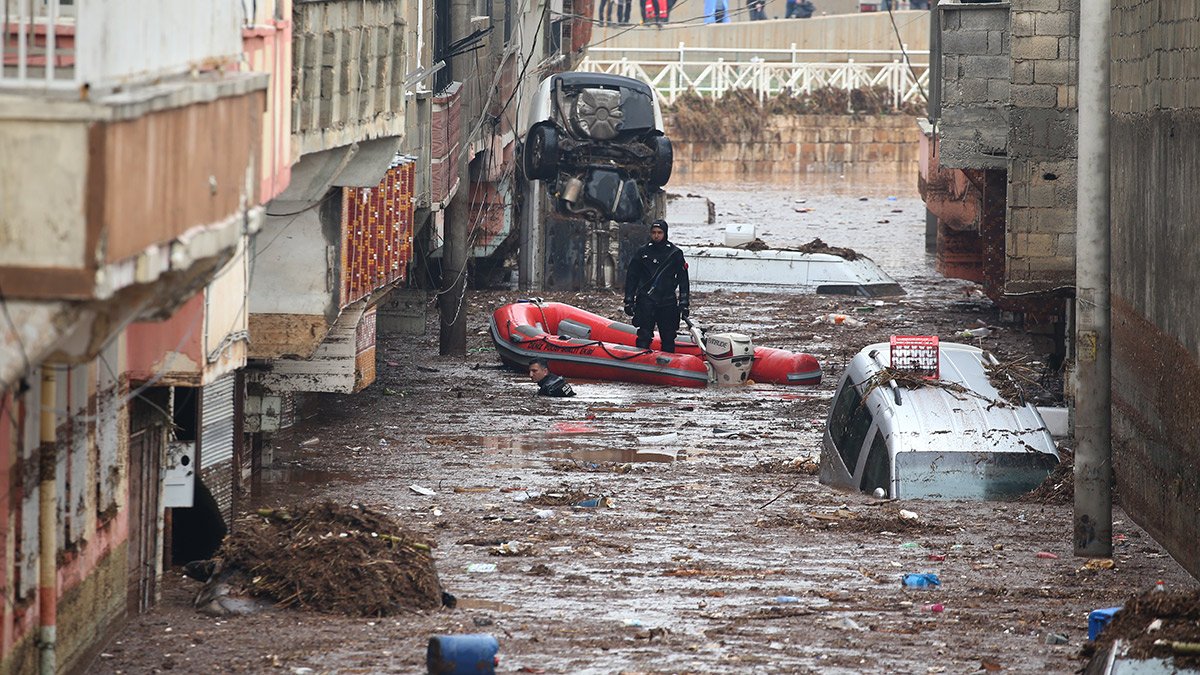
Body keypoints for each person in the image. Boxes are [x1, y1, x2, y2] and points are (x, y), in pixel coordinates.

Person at [623, 219, 690, 352]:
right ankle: (640, 366)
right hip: (646, 301)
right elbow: (632, 277)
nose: (656, 235)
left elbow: (683, 280)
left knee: (668, 337)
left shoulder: (675, 253)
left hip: (667, 301)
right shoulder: (642, 252)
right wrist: (628, 300)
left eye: (660, 232)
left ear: (665, 233)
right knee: (644, 336)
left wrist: (684, 302)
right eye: (653, 232)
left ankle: (668, 368)